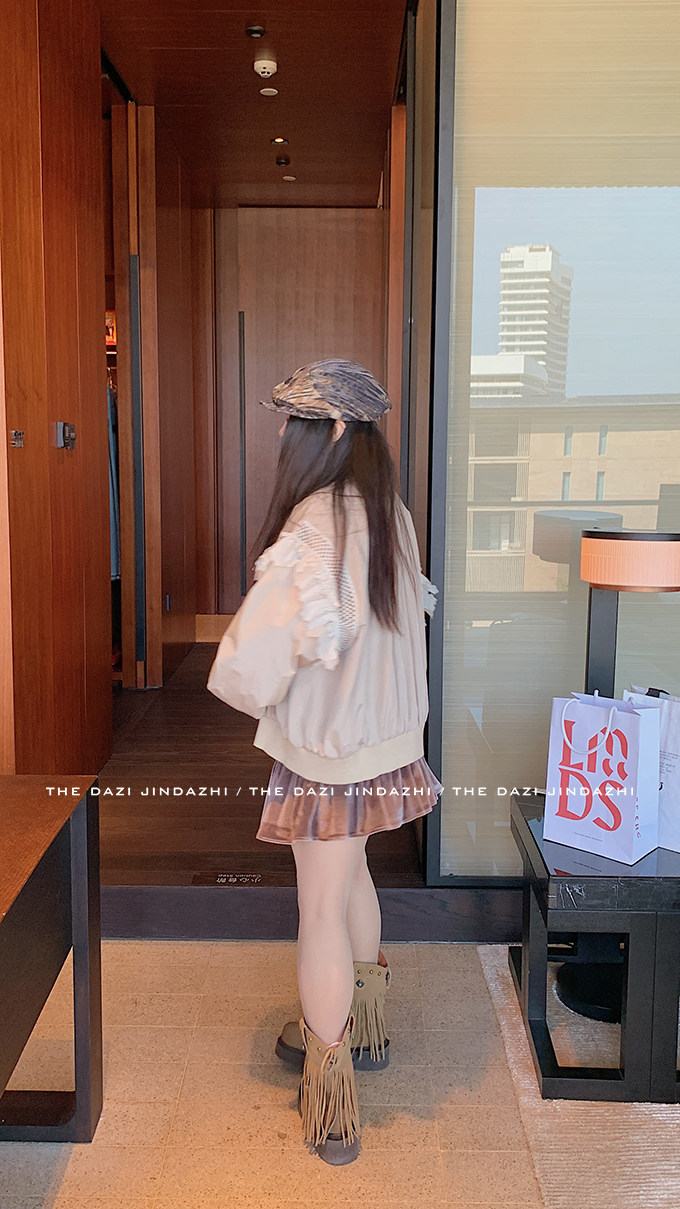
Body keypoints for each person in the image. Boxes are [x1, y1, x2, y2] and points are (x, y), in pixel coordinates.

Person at [206, 358, 443, 1165]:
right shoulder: (391, 512)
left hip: (330, 754)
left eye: (296, 421)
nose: (283, 434)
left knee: (319, 911)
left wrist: (250, 689)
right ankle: (364, 1027)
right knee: (353, 879)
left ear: (337, 429)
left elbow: (250, 661)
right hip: (385, 744)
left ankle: (333, 1091)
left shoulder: (316, 525)